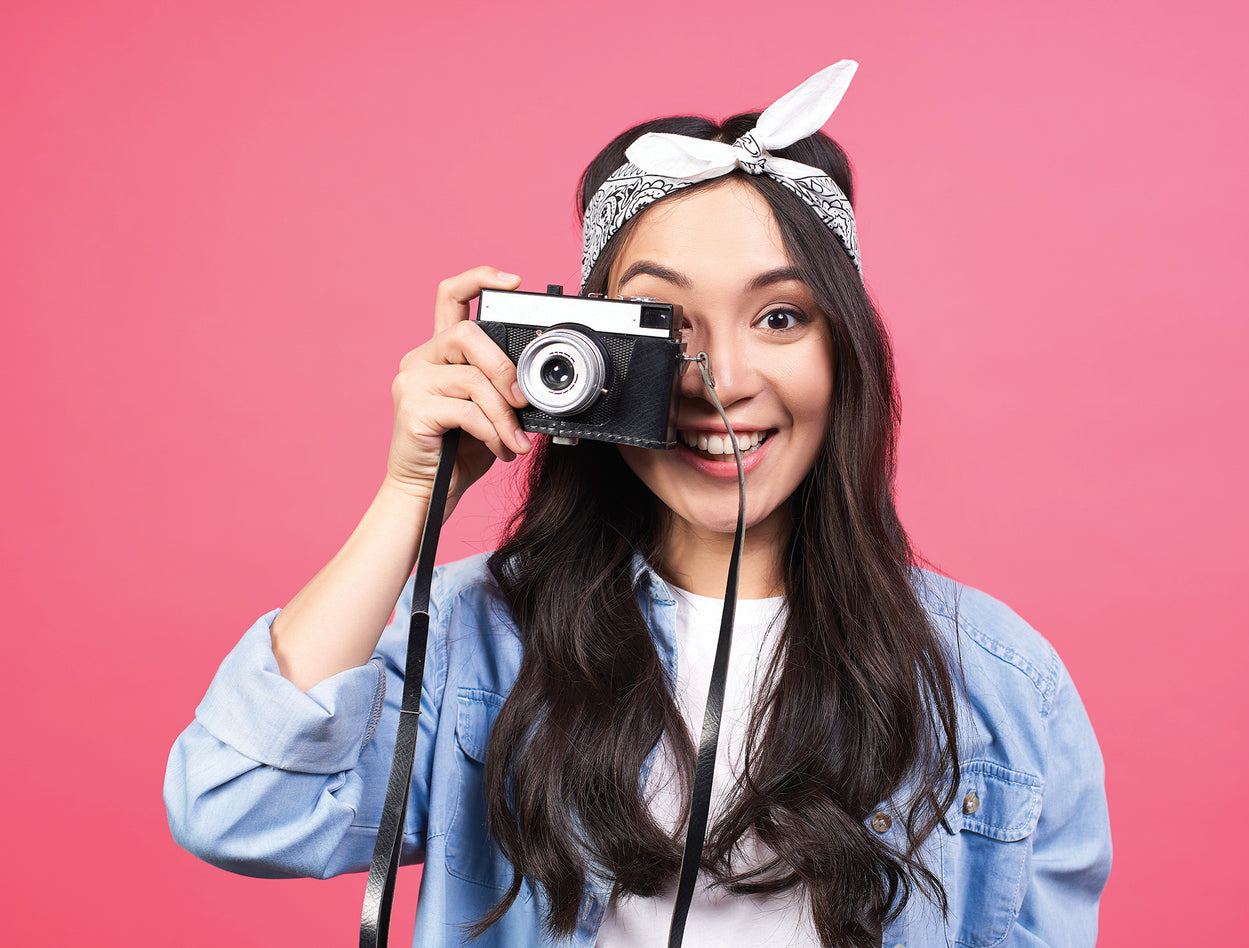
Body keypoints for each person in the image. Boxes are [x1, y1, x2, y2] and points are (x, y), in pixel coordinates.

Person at [165, 61, 1111, 948]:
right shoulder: (476, 642)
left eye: (779, 317)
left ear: (845, 351)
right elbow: (237, 803)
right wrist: (412, 496)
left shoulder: (1001, 687)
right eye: (667, 326)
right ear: (581, 355)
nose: (722, 380)